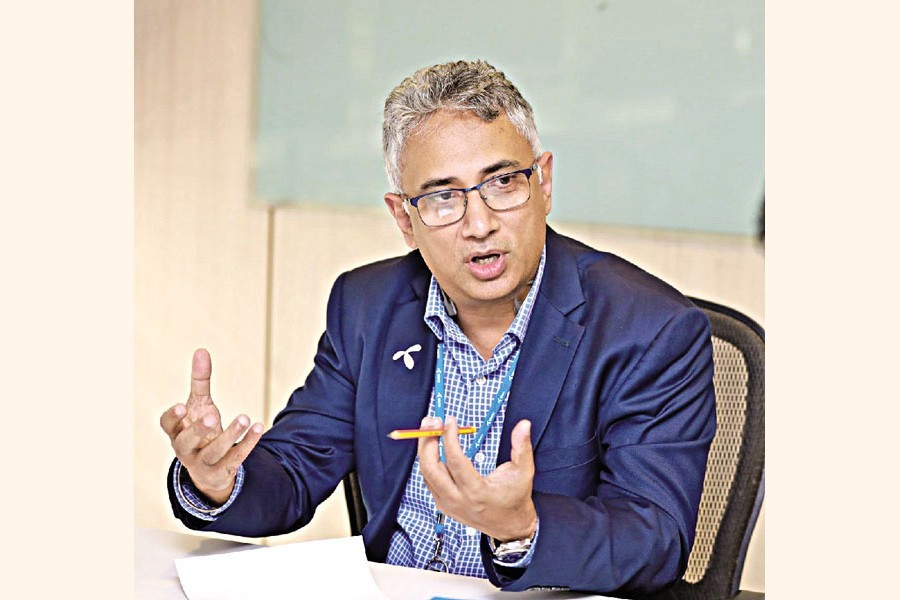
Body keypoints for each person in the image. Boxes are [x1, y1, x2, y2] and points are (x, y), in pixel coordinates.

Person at [160, 59, 716, 596]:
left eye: (503, 182)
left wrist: (523, 526)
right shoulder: (367, 306)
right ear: (404, 218)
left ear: (544, 182)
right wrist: (218, 480)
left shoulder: (650, 330)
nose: (480, 224)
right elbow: (294, 472)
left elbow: (656, 539)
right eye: (443, 197)